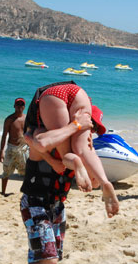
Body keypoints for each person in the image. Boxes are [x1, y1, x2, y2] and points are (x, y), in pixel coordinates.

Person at [0, 109, 95, 264]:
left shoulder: (78, 150)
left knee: (54, 257)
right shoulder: (44, 136)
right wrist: (53, 159)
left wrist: (88, 160)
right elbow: (30, 138)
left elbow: (91, 182)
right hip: (34, 202)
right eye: (89, 130)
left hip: (57, 206)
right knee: (47, 259)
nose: (90, 135)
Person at [28, 81, 119, 217]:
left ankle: (100, 180)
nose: (92, 131)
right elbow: (32, 138)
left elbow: (30, 137)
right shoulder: (84, 142)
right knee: (79, 150)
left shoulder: (45, 131)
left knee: (72, 153)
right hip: (78, 96)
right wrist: (99, 179)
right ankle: (104, 181)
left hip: (68, 92)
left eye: (93, 128)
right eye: (93, 127)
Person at [0, 98, 29, 196]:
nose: (19, 107)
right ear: (14, 106)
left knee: (26, 172)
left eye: (21, 105)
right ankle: (3, 192)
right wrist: (1, 151)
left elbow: (30, 133)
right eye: (18, 105)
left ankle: (25, 192)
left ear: (24, 107)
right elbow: (4, 135)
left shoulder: (26, 118)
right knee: (6, 171)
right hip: (11, 148)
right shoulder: (9, 119)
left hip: (24, 148)